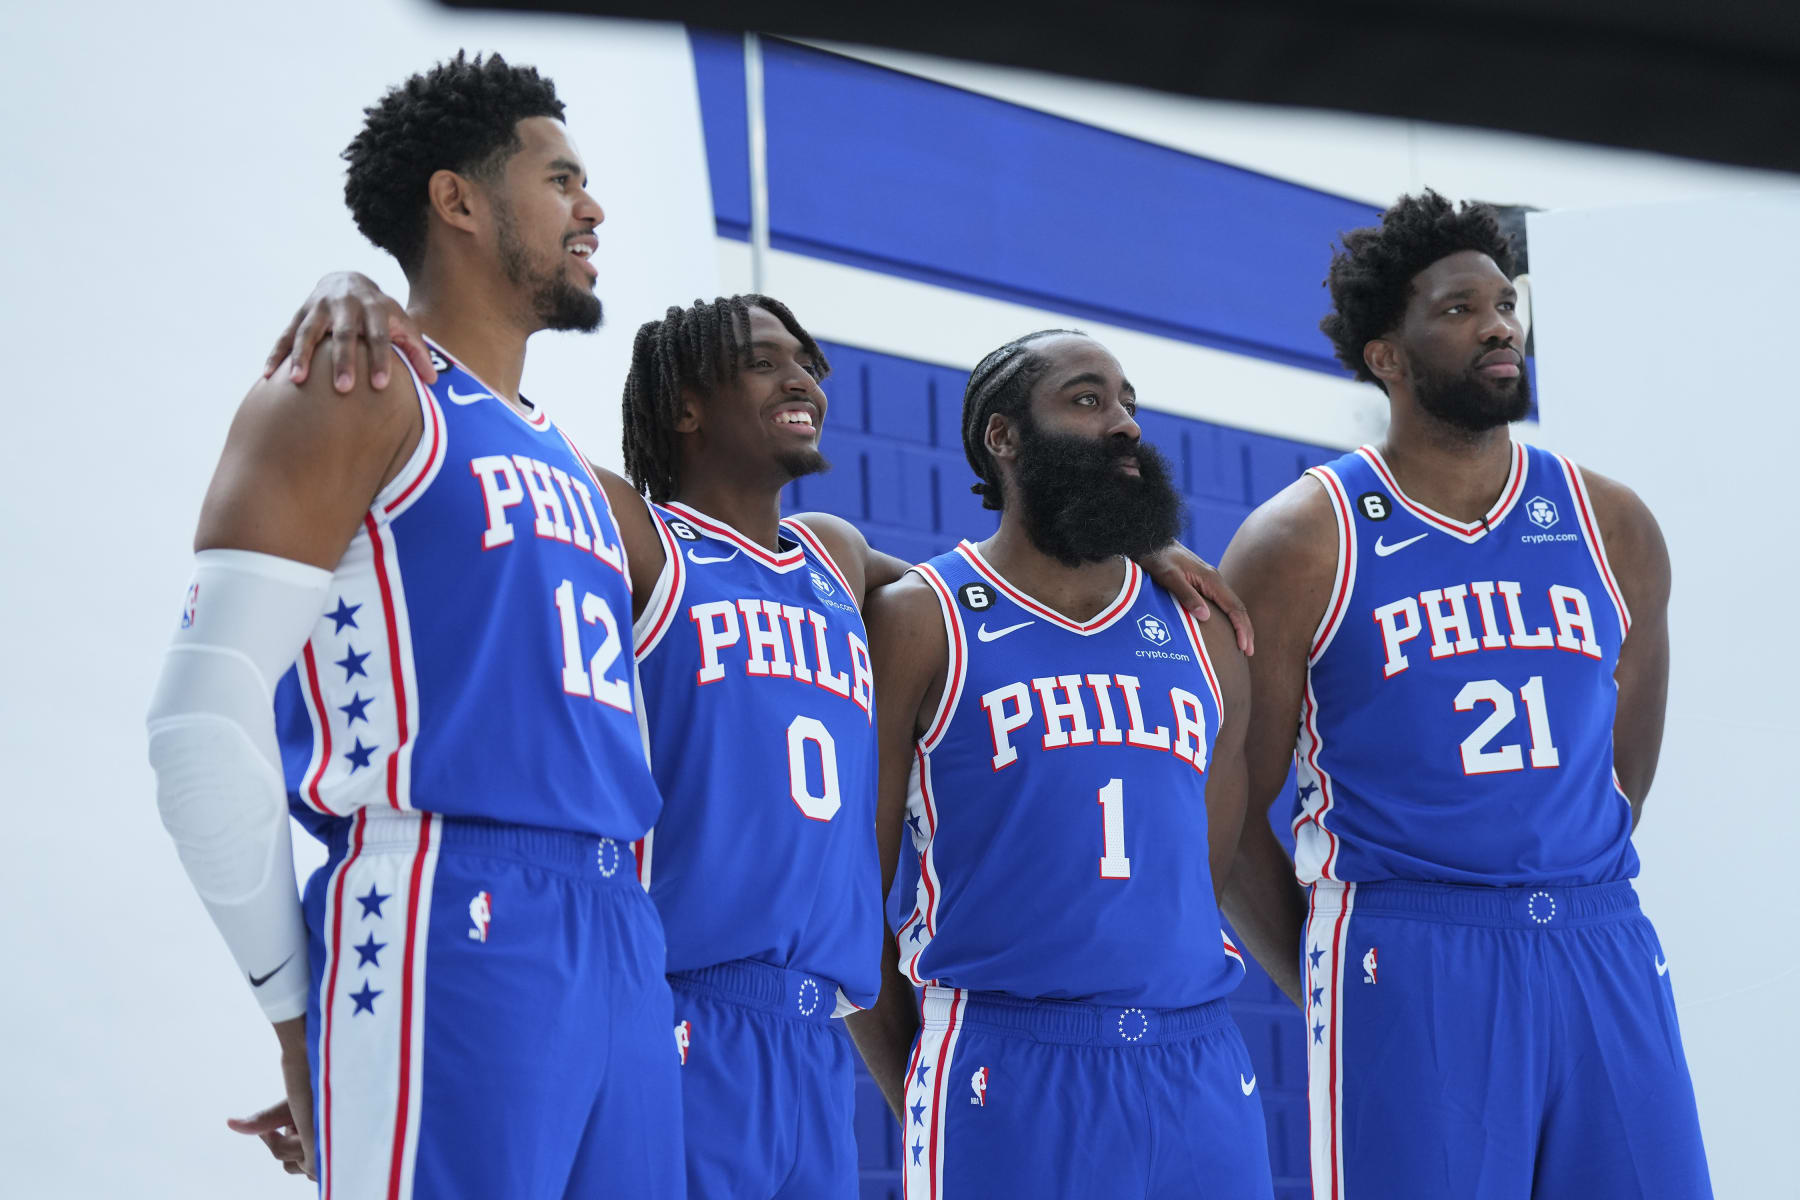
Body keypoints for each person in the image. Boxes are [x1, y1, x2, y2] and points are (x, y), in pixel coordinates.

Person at [240, 281, 1254, 1193]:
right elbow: (491, 447)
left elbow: (1010, 592)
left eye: (806, 361)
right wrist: (359, 301)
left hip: (808, 1032)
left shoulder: (833, 556)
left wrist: (1135, 538)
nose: (801, 376)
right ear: (686, 405)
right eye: (762, 361)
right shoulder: (637, 537)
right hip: (673, 1000)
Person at [144, 53, 685, 1197]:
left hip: (619, 935)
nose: (593, 208)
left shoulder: (568, 464)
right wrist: (296, 1021)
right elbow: (199, 718)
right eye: (562, 179)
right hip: (446, 905)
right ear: (459, 202)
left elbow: (788, 575)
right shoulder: (355, 380)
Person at [1218, 191, 1711, 1198]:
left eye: (1502, 303)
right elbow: (1226, 824)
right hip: (1409, 951)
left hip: (1598, 938)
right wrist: (1324, 977)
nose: (1497, 324)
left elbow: (1622, 775)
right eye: (1455, 309)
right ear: (1384, 357)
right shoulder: (1301, 542)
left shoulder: (1612, 523)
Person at [847, 330, 1274, 1199]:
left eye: (1127, 404)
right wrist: (922, 1090)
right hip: (1003, 1060)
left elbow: (1207, 871)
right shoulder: (922, 621)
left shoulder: (1203, 633)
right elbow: (849, 905)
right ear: (1003, 438)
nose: (1122, 424)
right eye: (1086, 399)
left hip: (1196, 1064)